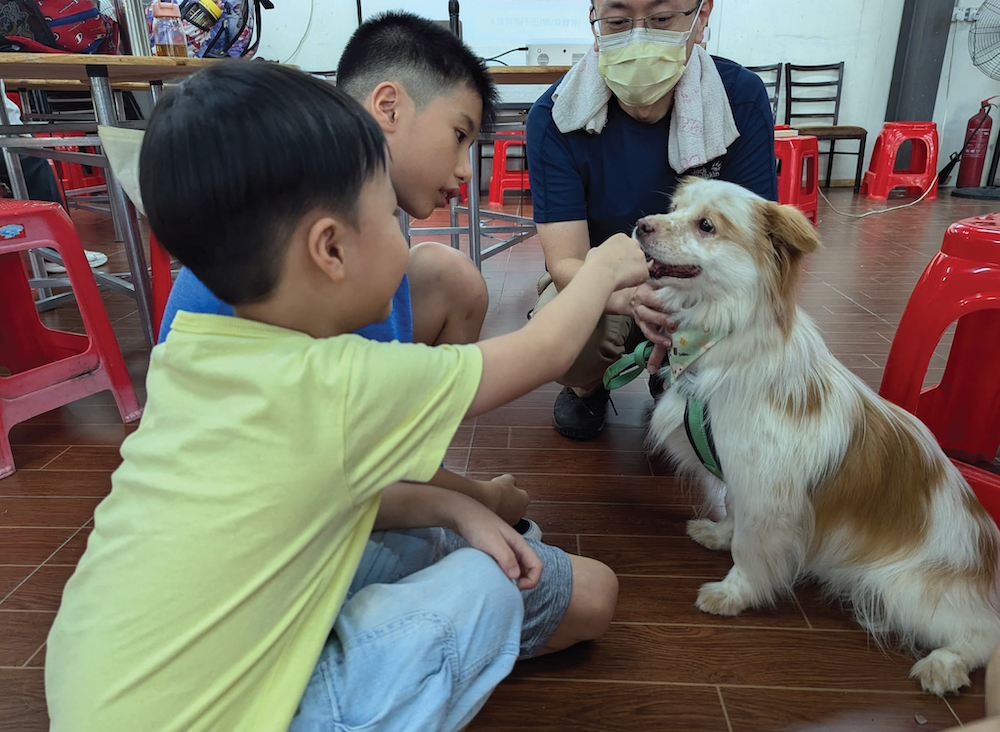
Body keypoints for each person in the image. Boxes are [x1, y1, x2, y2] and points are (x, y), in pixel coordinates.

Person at [44, 62, 648, 732]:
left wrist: (455, 505)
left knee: (493, 563)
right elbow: (544, 353)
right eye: (387, 215)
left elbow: (317, 491)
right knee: (485, 589)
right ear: (330, 249)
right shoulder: (337, 384)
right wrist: (603, 265)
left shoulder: (196, 351)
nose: (404, 229)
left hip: (95, 690)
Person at [157, 12, 534, 533]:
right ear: (387, 106)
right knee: (579, 592)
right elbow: (362, 451)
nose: (467, 169)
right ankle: (420, 491)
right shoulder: (324, 234)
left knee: (450, 276)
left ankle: (424, 476)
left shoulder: (329, 188)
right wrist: (484, 499)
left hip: (303, 451)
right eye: (458, 134)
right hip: (265, 511)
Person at [527, 0, 778, 440]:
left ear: (701, 17)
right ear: (595, 21)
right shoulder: (557, 116)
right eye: (618, 22)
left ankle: (680, 377)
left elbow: (755, 246)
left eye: (661, 19)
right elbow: (566, 262)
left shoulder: (738, 98)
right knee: (564, 333)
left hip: (699, 277)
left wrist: (685, 300)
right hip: (607, 274)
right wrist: (633, 298)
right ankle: (588, 386)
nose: (639, 37)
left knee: (748, 308)